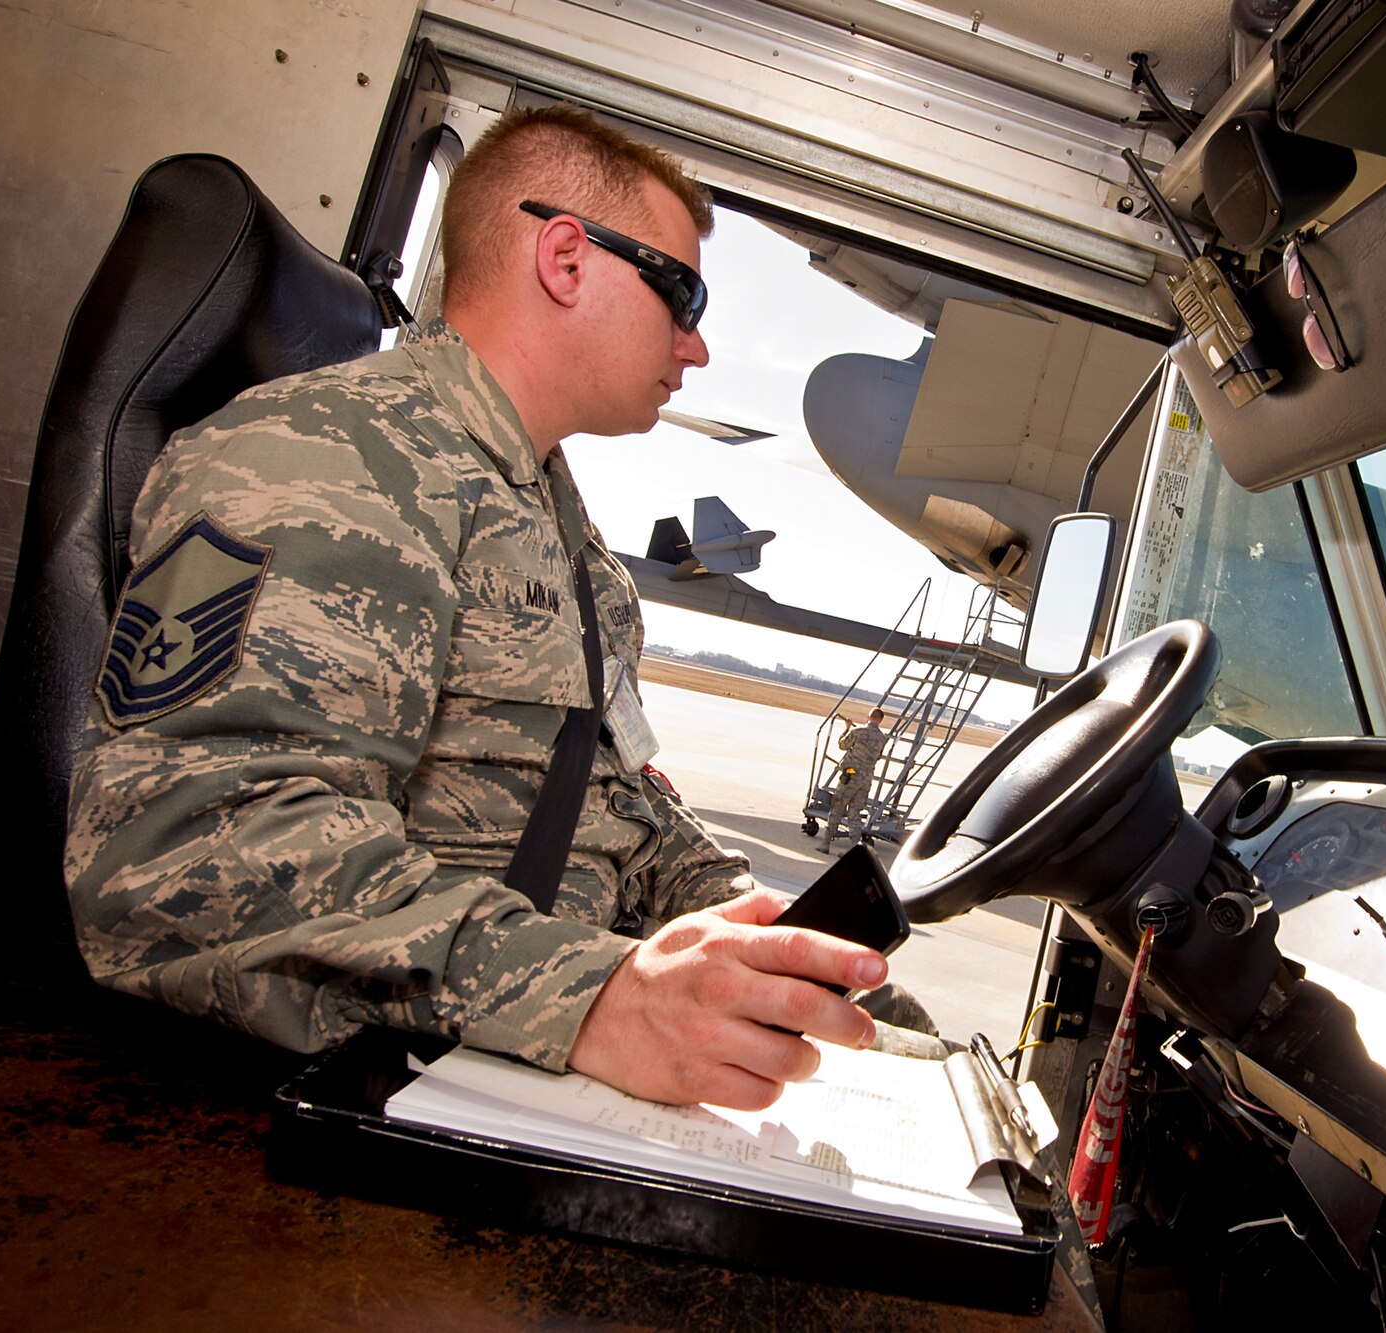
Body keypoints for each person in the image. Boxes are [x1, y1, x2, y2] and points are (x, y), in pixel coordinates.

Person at [64, 105, 924, 1113]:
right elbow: (184, 853)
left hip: (498, 1056)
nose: (694, 347)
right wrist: (594, 998)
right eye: (681, 295)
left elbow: (614, 799)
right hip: (353, 1090)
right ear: (566, 259)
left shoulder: (549, 519)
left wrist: (756, 925)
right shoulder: (327, 459)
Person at [816, 708, 889, 853]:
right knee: (854, 814)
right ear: (880, 720)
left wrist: (847, 729)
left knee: (837, 807)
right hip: (866, 779)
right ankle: (854, 849)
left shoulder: (858, 731)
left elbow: (843, 745)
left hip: (851, 775)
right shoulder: (882, 738)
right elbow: (878, 756)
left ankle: (825, 843)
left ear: (868, 716)